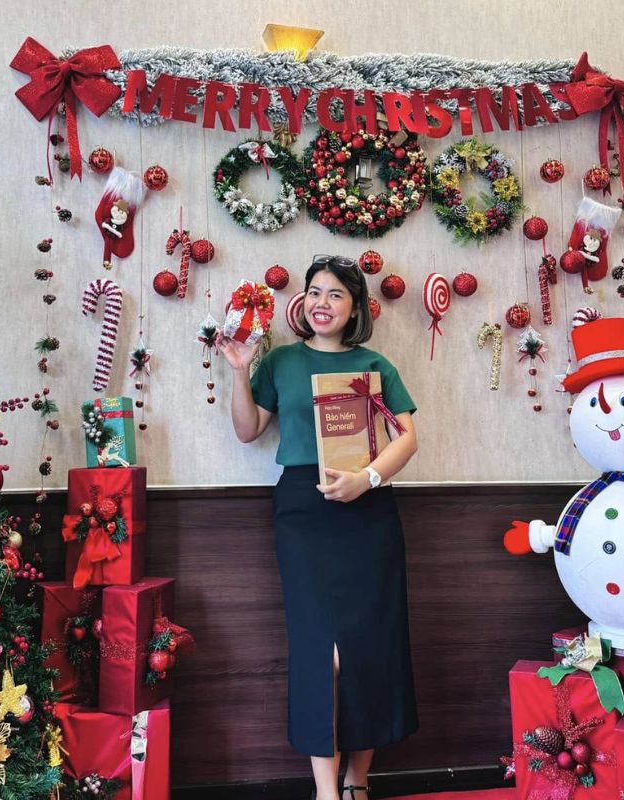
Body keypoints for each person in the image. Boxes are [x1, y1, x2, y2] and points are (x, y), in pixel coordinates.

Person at [219, 255, 419, 800]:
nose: (321, 302)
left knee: (368, 645)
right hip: (303, 513)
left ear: (355, 306)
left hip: (368, 513)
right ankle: (325, 791)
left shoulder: (376, 364)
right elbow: (248, 430)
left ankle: (359, 781)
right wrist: (239, 370)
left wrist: (369, 478)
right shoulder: (280, 361)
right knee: (321, 650)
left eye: (335, 293)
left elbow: (407, 439)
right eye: (314, 292)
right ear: (301, 302)